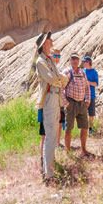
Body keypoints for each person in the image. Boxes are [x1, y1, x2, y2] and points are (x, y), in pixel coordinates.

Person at [35, 33, 68, 183]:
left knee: (53, 137)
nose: (52, 42)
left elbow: (63, 79)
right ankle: (49, 175)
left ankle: (51, 170)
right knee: (49, 137)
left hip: (55, 98)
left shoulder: (49, 60)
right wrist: (60, 80)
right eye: (50, 40)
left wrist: (60, 80)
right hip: (49, 100)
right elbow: (53, 79)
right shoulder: (41, 61)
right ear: (45, 43)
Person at [63, 54, 92, 157]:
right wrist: (66, 103)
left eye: (77, 59)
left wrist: (87, 101)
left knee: (84, 127)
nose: (75, 61)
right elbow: (61, 89)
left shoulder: (82, 73)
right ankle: (67, 151)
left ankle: (83, 150)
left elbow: (87, 87)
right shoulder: (67, 72)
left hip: (82, 104)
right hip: (71, 104)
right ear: (70, 60)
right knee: (68, 128)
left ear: (79, 60)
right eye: (73, 59)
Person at [82, 55, 99, 134]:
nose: (83, 63)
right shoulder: (83, 71)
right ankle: (84, 128)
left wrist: (88, 83)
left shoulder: (94, 72)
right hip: (83, 96)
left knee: (91, 114)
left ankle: (90, 128)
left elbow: (96, 84)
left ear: (88, 62)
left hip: (91, 96)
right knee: (83, 113)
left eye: (84, 62)